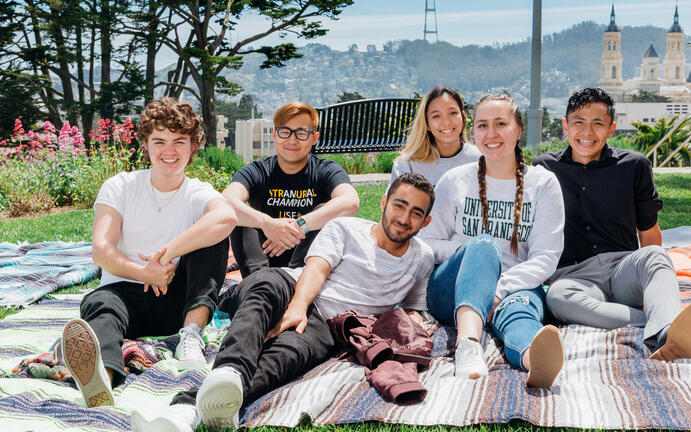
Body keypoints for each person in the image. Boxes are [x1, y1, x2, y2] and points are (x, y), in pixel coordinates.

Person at [131, 173, 436, 432]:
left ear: (426, 220)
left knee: (287, 356)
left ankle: (186, 412)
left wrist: (414, 319)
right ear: (384, 202)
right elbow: (316, 268)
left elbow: (413, 306)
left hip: (328, 324)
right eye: (400, 205)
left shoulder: (422, 257)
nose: (404, 218)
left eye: (416, 213)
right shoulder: (346, 228)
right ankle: (230, 372)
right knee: (263, 289)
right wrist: (296, 309)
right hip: (293, 285)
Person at [61, 98, 237, 408]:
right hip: (122, 296)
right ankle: (103, 379)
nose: (169, 151)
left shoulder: (199, 191)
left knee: (212, 234)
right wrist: (144, 272)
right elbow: (102, 250)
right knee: (100, 306)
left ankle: (191, 335)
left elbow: (226, 218)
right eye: (160, 141)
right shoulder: (120, 186)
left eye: (179, 141)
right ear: (145, 144)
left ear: (193, 146)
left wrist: (165, 255)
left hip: (178, 305)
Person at [533, 87, 691, 362]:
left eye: (598, 124)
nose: (587, 132)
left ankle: (664, 331)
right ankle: (667, 325)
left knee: (656, 256)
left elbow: (648, 231)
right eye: (579, 123)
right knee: (557, 298)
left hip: (623, 270)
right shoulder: (544, 168)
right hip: (575, 276)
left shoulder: (634, 166)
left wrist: (647, 276)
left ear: (612, 129)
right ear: (565, 126)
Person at [420, 94, 566, 388]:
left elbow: (546, 257)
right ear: (473, 132)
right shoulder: (455, 179)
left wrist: (497, 291)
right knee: (485, 244)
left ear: (518, 130)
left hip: (514, 287)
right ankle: (468, 346)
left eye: (501, 124)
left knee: (521, 311)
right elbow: (428, 242)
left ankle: (532, 356)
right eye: (483, 125)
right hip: (451, 289)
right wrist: (469, 251)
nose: (491, 134)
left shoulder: (543, 184)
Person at [223, 102, 359, 278]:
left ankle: (294, 283)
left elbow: (350, 202)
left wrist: (299, 226)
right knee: (239, 216)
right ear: (275, 135)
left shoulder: (325, 170)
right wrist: (267, 223)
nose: (292, 140)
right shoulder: (258, 170)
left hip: (306, 267)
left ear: (314, 138)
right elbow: (225, 201)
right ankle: (258, 285)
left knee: (326, 211)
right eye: (285, 132)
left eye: (301, 133)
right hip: (262, 264)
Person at [390, 86, 480, 187]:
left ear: (463, 117)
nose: (446, 122)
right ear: (427, 124)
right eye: (436, 116)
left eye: (453, 113)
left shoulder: (481, 159)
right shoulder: (407, 164)